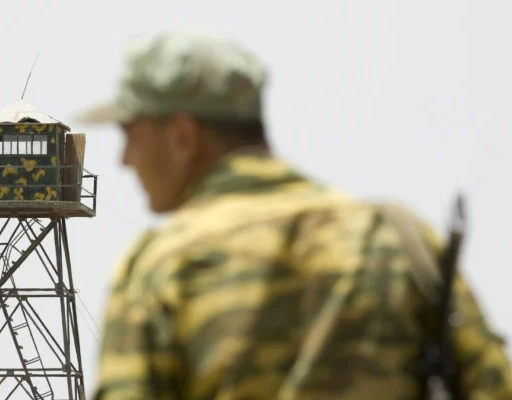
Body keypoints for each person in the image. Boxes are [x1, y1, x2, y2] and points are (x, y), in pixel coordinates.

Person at [75, 30, 512, 399]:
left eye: (130, 134)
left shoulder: (160, 268)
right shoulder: (400, 238)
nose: (124, 159)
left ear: (184, 137)